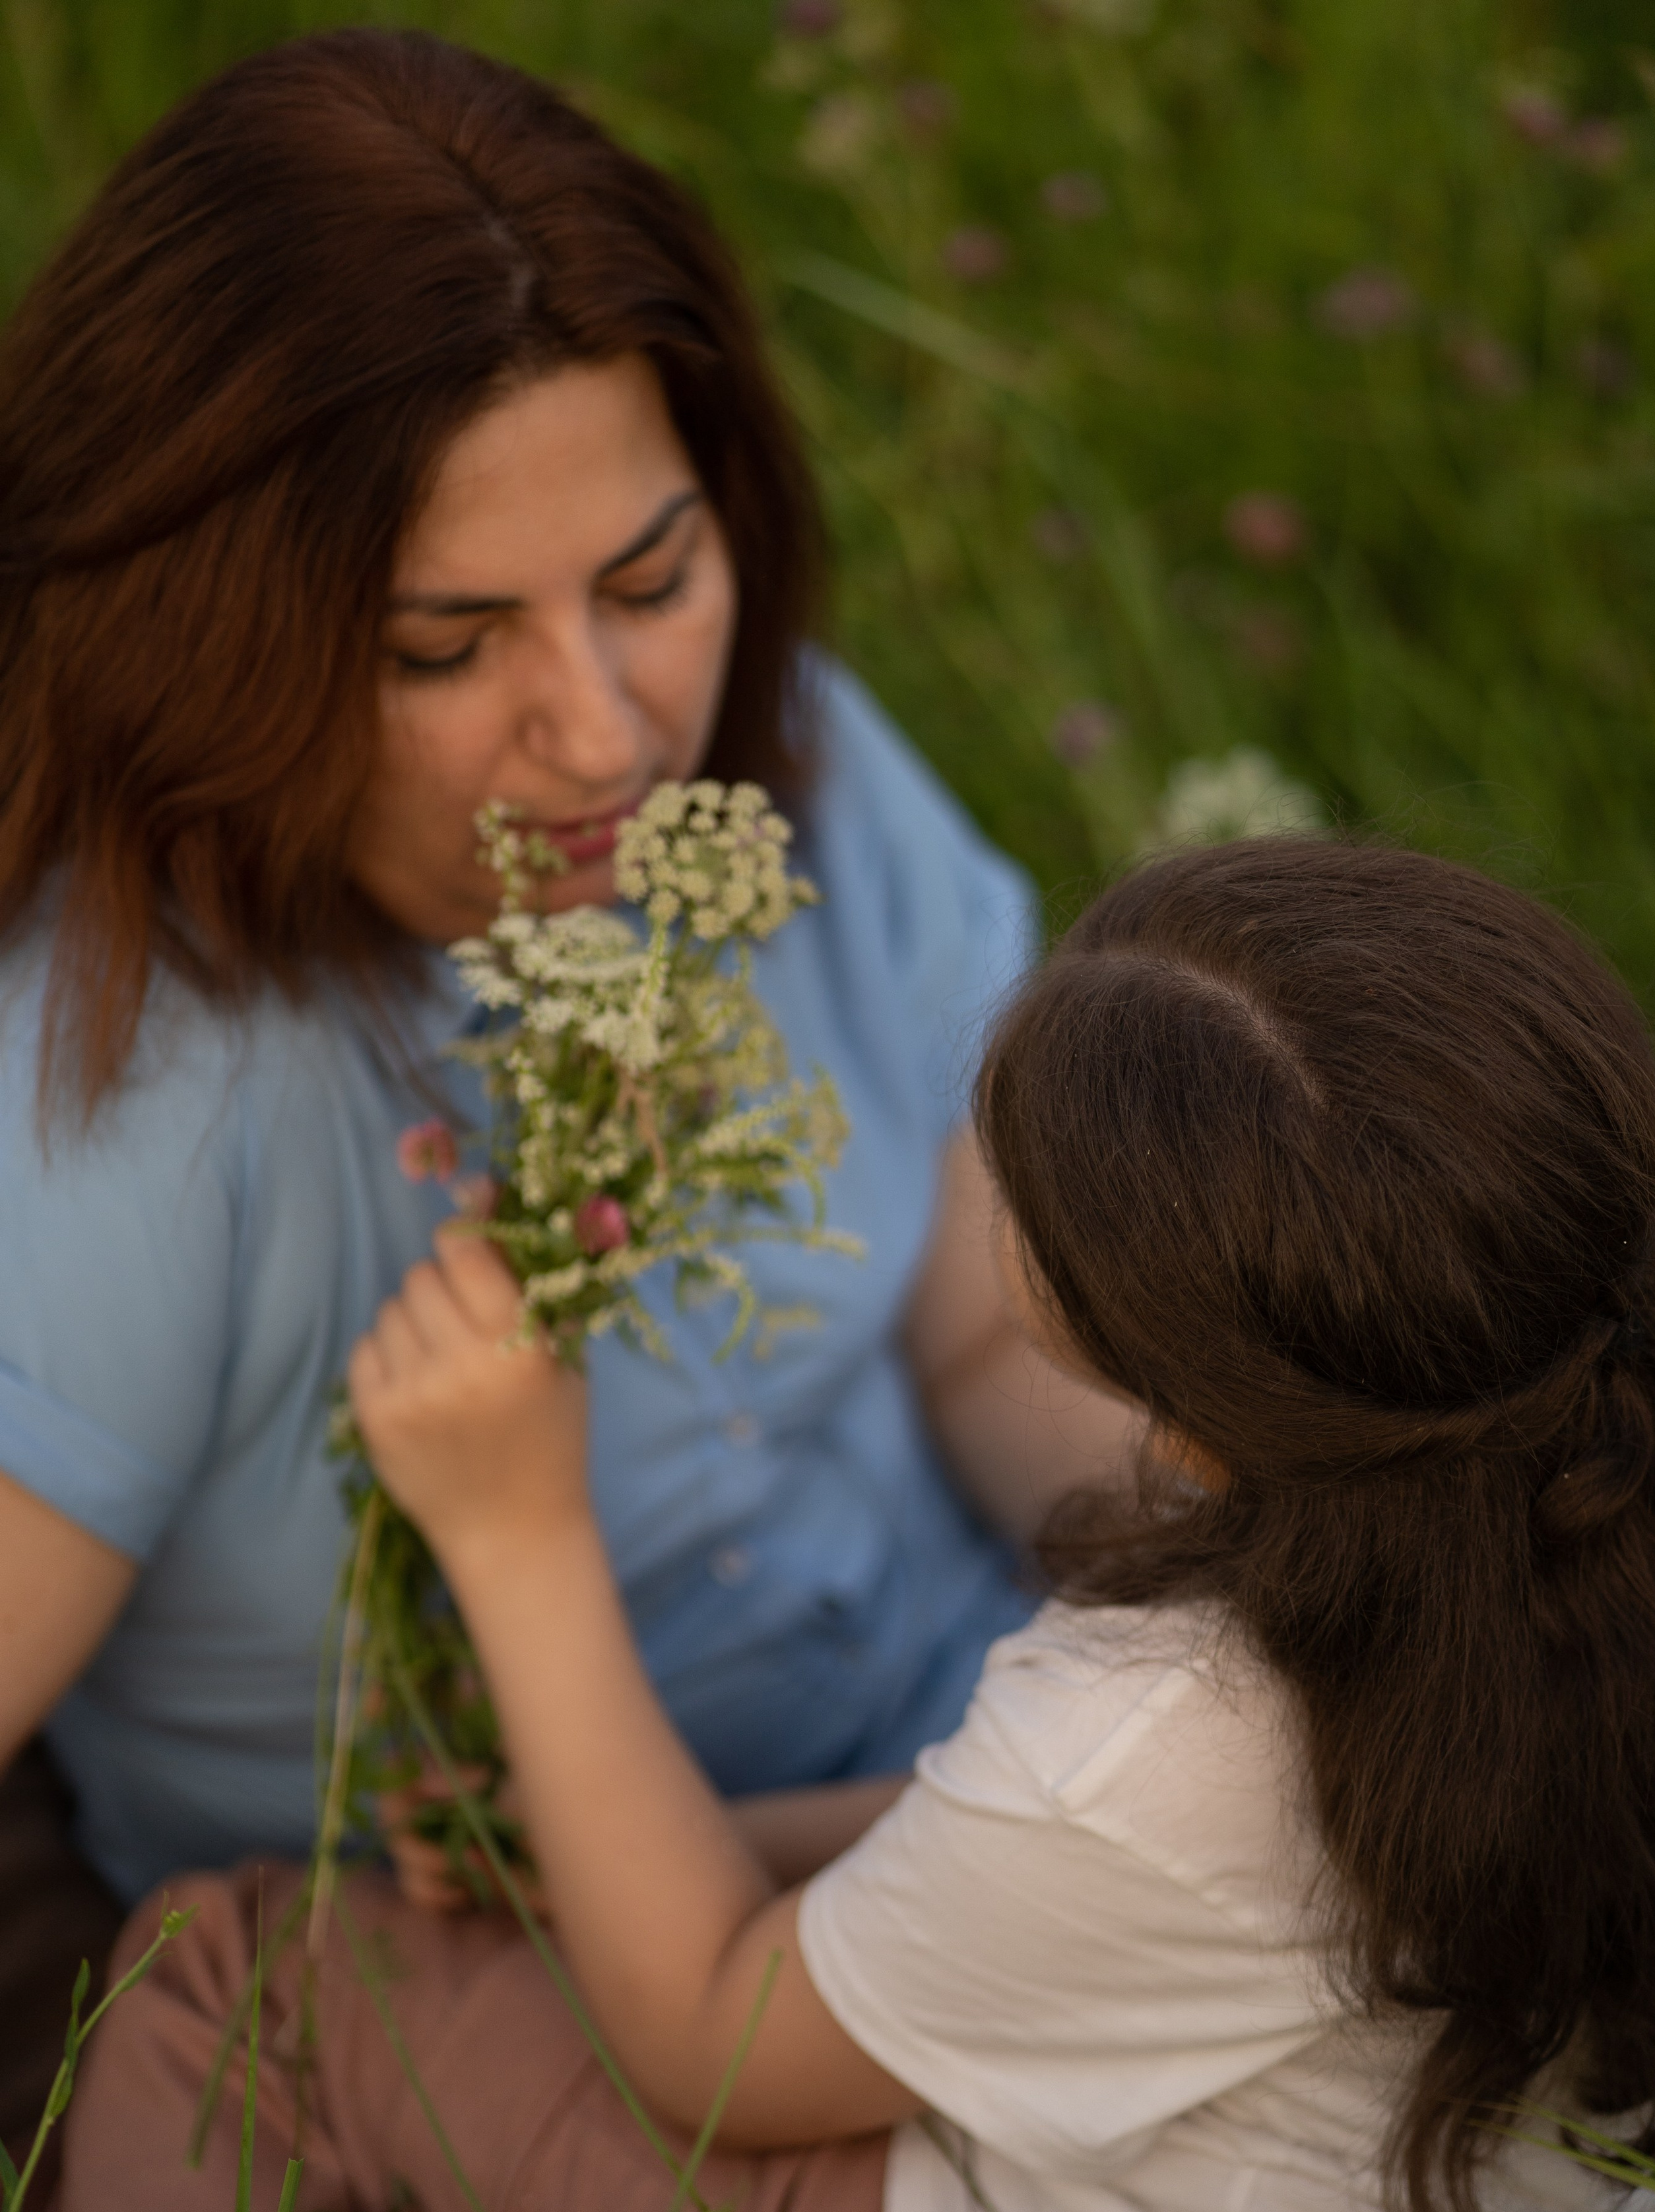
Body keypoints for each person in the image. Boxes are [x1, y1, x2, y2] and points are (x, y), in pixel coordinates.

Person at [48, 838, 1655, 2212]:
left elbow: (713, 2052)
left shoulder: (1171, 1719)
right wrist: (691, 1841)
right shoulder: (1589, 1495)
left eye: (1025, 1193)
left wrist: (515, 1526)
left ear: (1185, 1413)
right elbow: (1124, 1880)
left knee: (257, 1979)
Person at [0, 26, 1131, 2106]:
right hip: (565, 2001)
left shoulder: (784, 778)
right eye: (446, 646)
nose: (608, 734)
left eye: (652, 579)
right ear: (203, 638)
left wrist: (1250, 1623)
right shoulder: (136, 1102)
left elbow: (985, 1335)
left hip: (999, 1783)